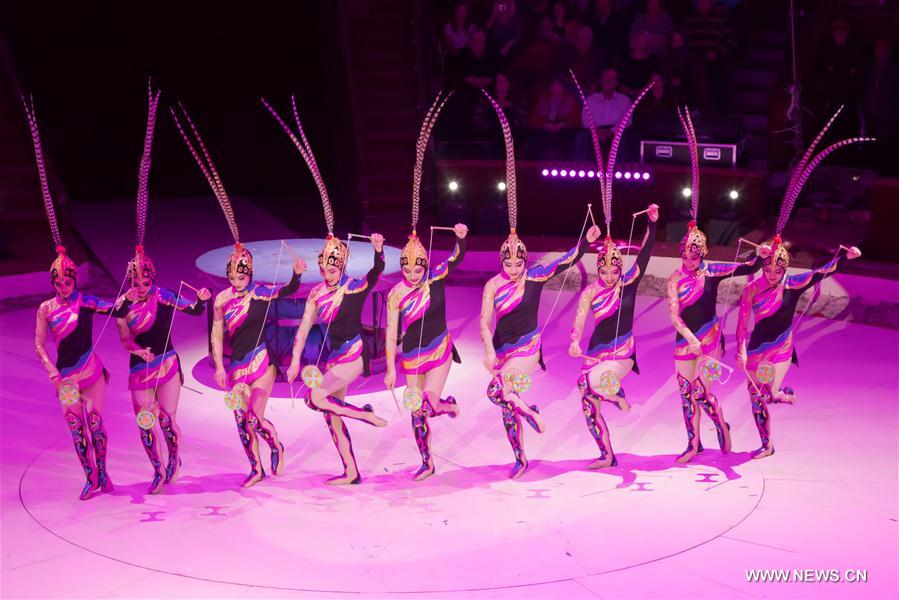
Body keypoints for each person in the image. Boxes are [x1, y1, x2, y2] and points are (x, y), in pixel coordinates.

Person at [171, 103, 306, 488]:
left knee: (254, 419)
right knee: (240, 420)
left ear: (250, 273)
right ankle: (256, 467)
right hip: (234, 368)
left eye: (245, 271)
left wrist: (296, 275)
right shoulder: (222, 300)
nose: (241, 275)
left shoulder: (261, 294)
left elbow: (288, 290)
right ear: (230, 274)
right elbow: (216, 334)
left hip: (261, 364)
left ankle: (274, 445)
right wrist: (217, 365)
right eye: (236, 272)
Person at [263, 97, 390, 485]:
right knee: (331, 414)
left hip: (353, 356)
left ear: (343, 265)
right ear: (322, 267)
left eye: (335, 265)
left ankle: (365, 414)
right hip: (335, 357)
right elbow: (303, 328)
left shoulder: (354, 286)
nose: (330, 269)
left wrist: (379, 252)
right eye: (326, 265)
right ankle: (351, 471)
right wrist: (294, 362)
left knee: (314, 397)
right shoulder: (318, 293)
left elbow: (375, 275)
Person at [482, 90, 601, 478]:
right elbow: (484, 323)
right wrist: (488, 351)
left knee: (499, 393)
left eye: (519, 260)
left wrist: (585, 242)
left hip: (528, 351)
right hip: (501, 352)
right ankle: (520, 456)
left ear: (524, 259)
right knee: (506, 403)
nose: (515, 265)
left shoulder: (535, 275)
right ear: (502, 260)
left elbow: (567, 260)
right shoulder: (492, 285)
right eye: (509, 261)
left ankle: (531, 412)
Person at [736, 115, 869, 459]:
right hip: (757, 347)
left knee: (765, 392)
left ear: (784, 267)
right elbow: (742, 322)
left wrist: (845, 256)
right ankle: (770, 431)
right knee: (756, 395)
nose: (773, 272)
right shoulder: (752, 289)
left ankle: (776, 406)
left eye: (778, 268)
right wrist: (740, 349)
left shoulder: (793, 284)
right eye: (769, 267)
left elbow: (822, 272)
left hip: (781, 347)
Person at [114, 86, 212, 494]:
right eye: (137, 280)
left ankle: (172, 459)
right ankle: (155, 467)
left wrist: (202, 302)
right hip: (140, 368)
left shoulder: (165, 295)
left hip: (168, 364)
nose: (142, 284)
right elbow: (123, 337)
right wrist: (136, 350)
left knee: (168, 419)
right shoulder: (124, 305)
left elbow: (192, 310)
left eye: (147, 279)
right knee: (145, 420)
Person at [26, 98, 122, 500]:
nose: (65, 284)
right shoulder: (46, 309)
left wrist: (125, 300)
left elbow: (111, 306)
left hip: (91, 372)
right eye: (60, 280)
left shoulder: (85, 301)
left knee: (96, 424)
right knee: (75, 427)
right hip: (65, 377)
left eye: (69, 279)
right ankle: (89, 476)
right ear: (53, 281)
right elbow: (38, 344)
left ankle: (105, 473)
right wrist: (52, 371)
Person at [666, 108, 769, 464]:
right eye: (686, 253)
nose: (690, 258)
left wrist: (762, 254)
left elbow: (747, 266)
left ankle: (721, 424)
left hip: (711, 342)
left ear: (703, 254)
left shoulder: (712, 272)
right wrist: (687, 337)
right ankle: (693, 443)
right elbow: (674, 315)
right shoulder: (674, 279)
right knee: (685, 394)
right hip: (685, 342)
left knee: (701, 391)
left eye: (695, 254)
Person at [569, 204, 657, 468]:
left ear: (620, 269)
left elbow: (645, 253)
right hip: (596, 352)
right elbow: (580, 319)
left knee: (591, 381)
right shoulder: (590, 292)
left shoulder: (628, 283)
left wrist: (652, 224)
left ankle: (616, 393)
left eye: (614, 271)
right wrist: (574, 340)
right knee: (587, 400)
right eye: (604, 272)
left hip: (622, 352)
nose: (609, 276)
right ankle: (606, 454)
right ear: (598, 269)